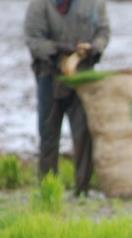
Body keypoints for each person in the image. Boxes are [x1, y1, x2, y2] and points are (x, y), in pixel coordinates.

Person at [24, 0, 110, 196]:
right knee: (48, 134)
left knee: (83, 134)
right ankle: (48, 188)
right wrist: (59, 48)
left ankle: (82, 189)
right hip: (50, 74)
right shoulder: (40, 5)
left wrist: (95, 48)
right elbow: (33, 39)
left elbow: (103, 31)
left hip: (81, 75)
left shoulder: (94, 4)